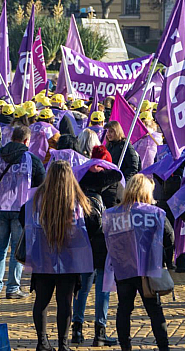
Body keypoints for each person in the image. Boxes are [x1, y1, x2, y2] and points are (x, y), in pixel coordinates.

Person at [21, 161, 102, 351]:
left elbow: (22, 218)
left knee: (41, 300)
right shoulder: (79, 201)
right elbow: (93, 223)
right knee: (65, 301)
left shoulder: (36, 199)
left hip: (42, 257)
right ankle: (63, 344)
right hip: (70, 258)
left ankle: (42, 342)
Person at [104, 174, 173, 351]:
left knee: (124, 308)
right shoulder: (155, 213)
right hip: (148, 268)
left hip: (123, 268)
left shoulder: (113, 214)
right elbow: (169, 237)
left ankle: (125, 347)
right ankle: (163, 346)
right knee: (154, 309)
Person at [72, 146, 124, 346]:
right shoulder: (115, 183)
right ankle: (100, 333)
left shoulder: (79, 179)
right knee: (103, 288)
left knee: (82, 287)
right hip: (106, 239)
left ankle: (77, 331)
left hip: (84, 239)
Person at [0, 125, 45, 299]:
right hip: (21, 209)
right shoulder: (31, 159)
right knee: (16, 250)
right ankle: (12, 288)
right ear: (27, 141)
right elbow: (41, 182)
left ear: (12, 138)